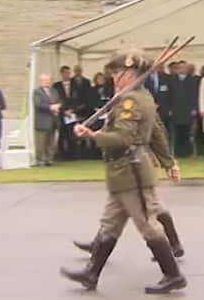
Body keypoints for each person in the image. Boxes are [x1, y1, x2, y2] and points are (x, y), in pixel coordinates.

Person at [62, 50, 187, 294]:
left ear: (129, 74)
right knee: (109, 224)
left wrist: (93, 135)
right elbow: (157, 132)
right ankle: (91, 273)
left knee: (148, 225)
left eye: (117, 73)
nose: (113, 77)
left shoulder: (133, 101)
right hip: (122, 173)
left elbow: (124, 137)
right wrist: (168, 162)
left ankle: (173, 275)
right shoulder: (133, 97)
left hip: (132, 171)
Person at [73, 105, 186, 259]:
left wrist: (169, 163)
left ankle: (173, 250)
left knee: (151, 208)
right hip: (125, 165)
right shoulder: (122, 100)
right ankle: (98, 245)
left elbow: (157, 132)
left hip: (138, 162)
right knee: (118, 208)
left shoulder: (139, 102)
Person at [167, 61, 199, 157]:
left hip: (188, 111)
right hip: (176, 110)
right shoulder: (171, 80)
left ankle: (187, 152)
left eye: (184, 67)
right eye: (180, 67)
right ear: (177, 69)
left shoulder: (192, 80)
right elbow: (168, 96)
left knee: (187, 132)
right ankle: (177, 153)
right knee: (177, 133)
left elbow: (195, 95)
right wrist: (169, 109)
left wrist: (194, 108)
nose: (182, 69)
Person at [33, 73, 60, 167]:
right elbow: (38, 104)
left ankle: (49, 159)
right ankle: (40, 160)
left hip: (53, 120)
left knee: (51, 142)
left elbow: (59, 101)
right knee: (41, 142)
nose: (47, 82)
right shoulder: (37, 92)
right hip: (42, 121)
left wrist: (58, 106)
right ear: (41, 81)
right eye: (45, 80)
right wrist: (50, 107)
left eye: (48, 80)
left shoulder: (54, 91)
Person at [54, 66, 77, 160]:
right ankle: (62, 153)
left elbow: (77, 99)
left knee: (72, 133)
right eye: (65, 73)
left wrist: (72, 110)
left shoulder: (75, 85)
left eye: (68, 73)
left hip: (72, 113)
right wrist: (64, 111)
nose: (67, 75)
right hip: (61, 113)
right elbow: (56, 100)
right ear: (61, 74)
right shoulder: (56, 86)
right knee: (62, 134)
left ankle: (72, 154)